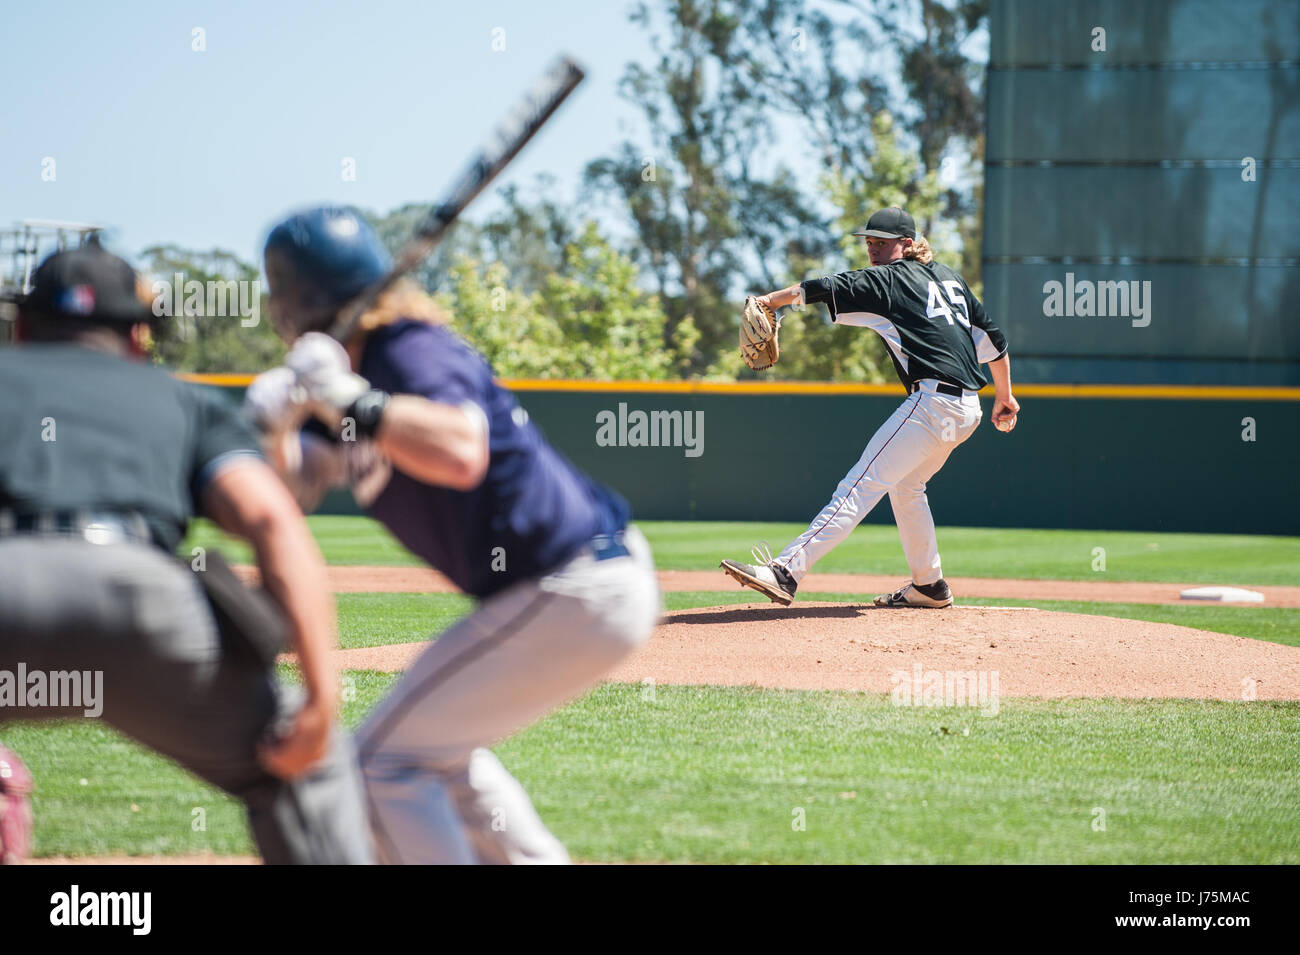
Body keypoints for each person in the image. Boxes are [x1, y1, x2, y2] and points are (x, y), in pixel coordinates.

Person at [246, 206, 660, 864]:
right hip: (566, 590)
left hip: (574, 582)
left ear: (292, 303)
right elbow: (298, 488)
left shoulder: (407, 348)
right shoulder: (347, 378)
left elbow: (462, 450)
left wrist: (350, 396)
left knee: (381, 764)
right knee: (433, 759)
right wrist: (275, 431)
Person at [0, 244, 372, 864]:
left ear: (25, 327)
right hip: (144, 604)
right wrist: (320, 703)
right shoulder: (180, 398)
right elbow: (273, 522)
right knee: (297, 765)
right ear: (139, 337)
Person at [721, 206, 1019, 609]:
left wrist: (768, 301)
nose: (874, 250)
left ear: (907, 244)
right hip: (967, 411)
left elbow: (822, 287)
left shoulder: (888, 281)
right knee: (907, 487)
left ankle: (785, 571)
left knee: (858, 487)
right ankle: (929, 585)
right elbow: (994, 341)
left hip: (933, 403)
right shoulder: (949, 279)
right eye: (870, 243)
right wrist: (1005, 395)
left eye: (882, 243)